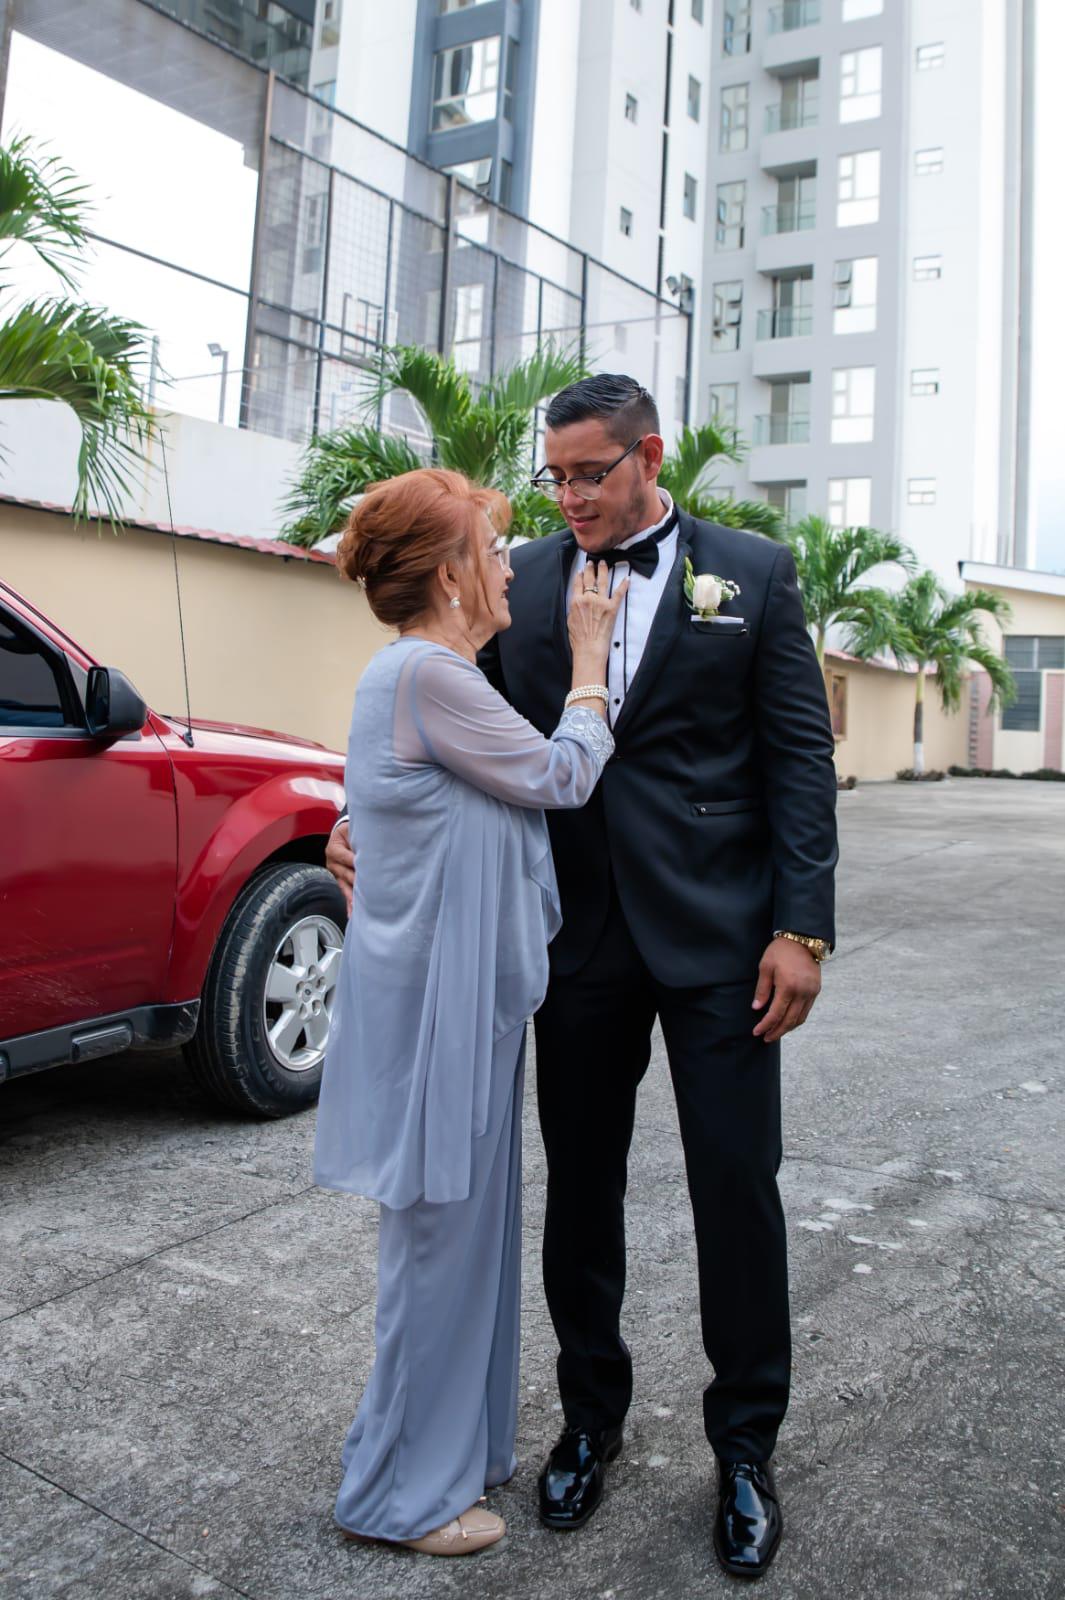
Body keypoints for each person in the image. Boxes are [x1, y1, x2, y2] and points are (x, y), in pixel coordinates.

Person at [328, 375, 838, 1580]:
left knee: (736, 1186)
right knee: (581, 1191)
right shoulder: (520, 578)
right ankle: (588, 1419)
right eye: (552, 475)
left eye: (590, 473)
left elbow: (798, 758)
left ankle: (746, 1448)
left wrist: (801, 927)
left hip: (721, 943)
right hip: (576, 939)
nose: (568, 496)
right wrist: (362, 823)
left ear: (649, 455)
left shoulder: (752, 574)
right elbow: (455, 721)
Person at [314, 466, 624, 1557]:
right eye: (493, 551)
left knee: (466, 1239)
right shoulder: (428, 674)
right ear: (450, 577)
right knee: (440, 1251)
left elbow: (392, 803)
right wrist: (590, 666)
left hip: (455, 1006)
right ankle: (398, 1496)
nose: (509, 569)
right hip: (438, 1016)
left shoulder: (418, 676)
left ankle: (451, 1453)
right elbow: (560, 774)